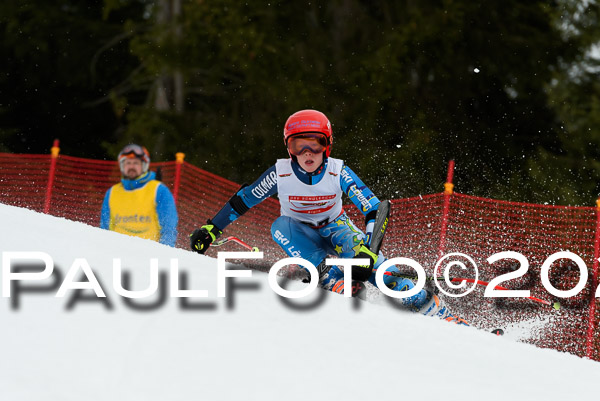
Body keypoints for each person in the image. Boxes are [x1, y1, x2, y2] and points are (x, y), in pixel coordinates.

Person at [190, 109, 460, 319]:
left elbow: (376, 208)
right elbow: (244, 200)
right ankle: (328, 278)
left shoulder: (337, 170)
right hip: (301, 233)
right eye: (298, 145)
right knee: (279, 226)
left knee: (376, 271)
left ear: (327, 146)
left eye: (315, 144)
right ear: (289, 149)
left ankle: (434, 310)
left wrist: (369, 249)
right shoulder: (280, 173)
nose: (307, 153)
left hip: (337, 228)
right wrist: (212, 228)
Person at [100, 144, 178, 246]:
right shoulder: (112, 193)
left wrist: (163, 254)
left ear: (144, 165)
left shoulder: (159, 190)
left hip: (148, 255)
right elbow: (104, 229)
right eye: (128, 163)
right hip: (117, 253)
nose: (131, 167)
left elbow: (169, 229)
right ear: (122, 166)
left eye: (136, 163)